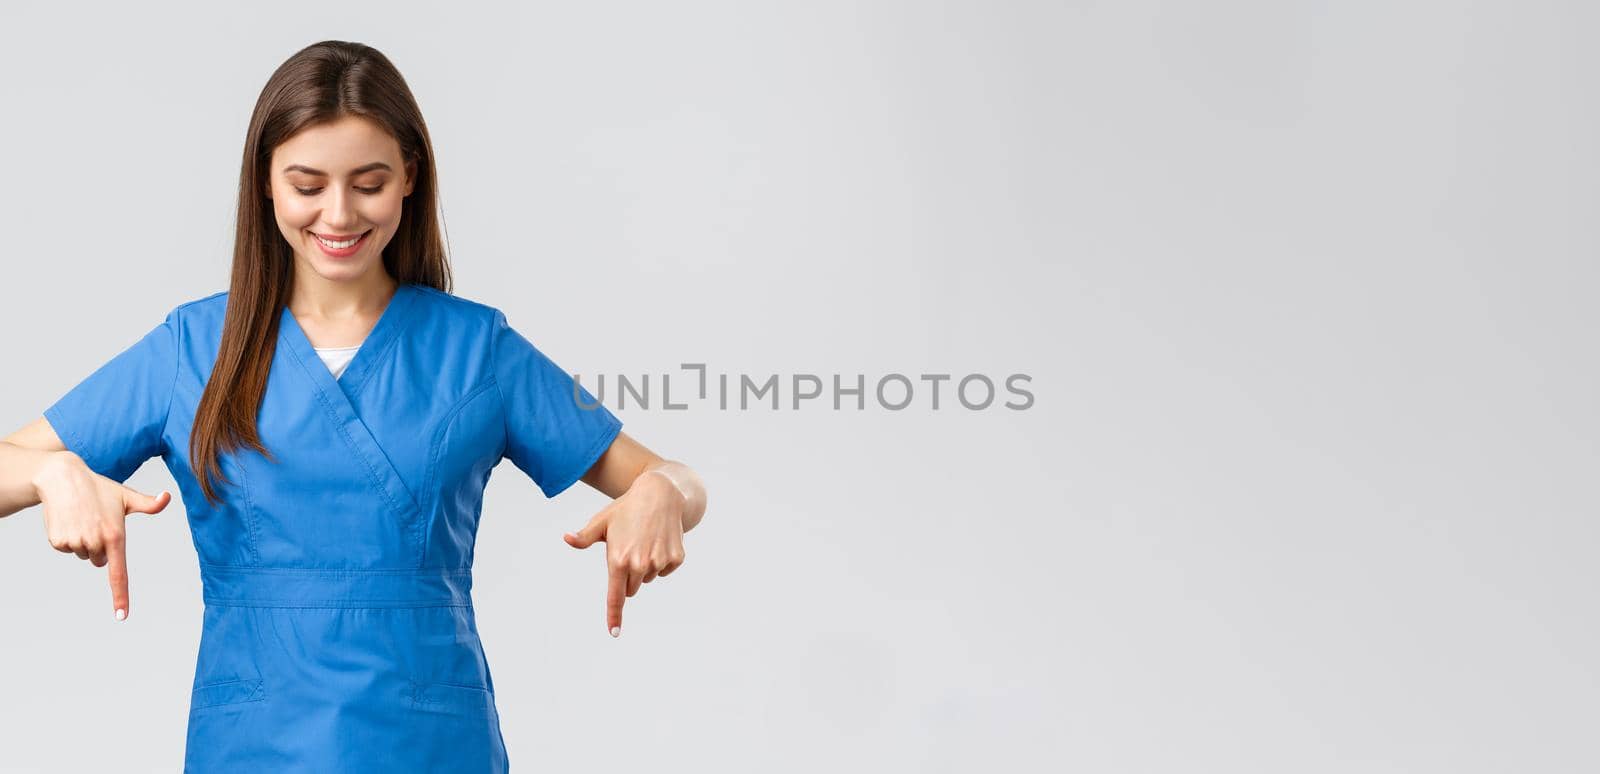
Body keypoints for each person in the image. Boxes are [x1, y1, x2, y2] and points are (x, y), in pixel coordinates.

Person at [0, 40, 707, 772]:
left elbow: (680, 483)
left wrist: (662, 489)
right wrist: (51, 477)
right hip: (254, 743)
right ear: (265, 185)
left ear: (409, 178)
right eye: (307, 184)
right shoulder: (194, 348)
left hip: (433, 743)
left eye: (368, 183)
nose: (338, 214)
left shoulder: (477, 350)